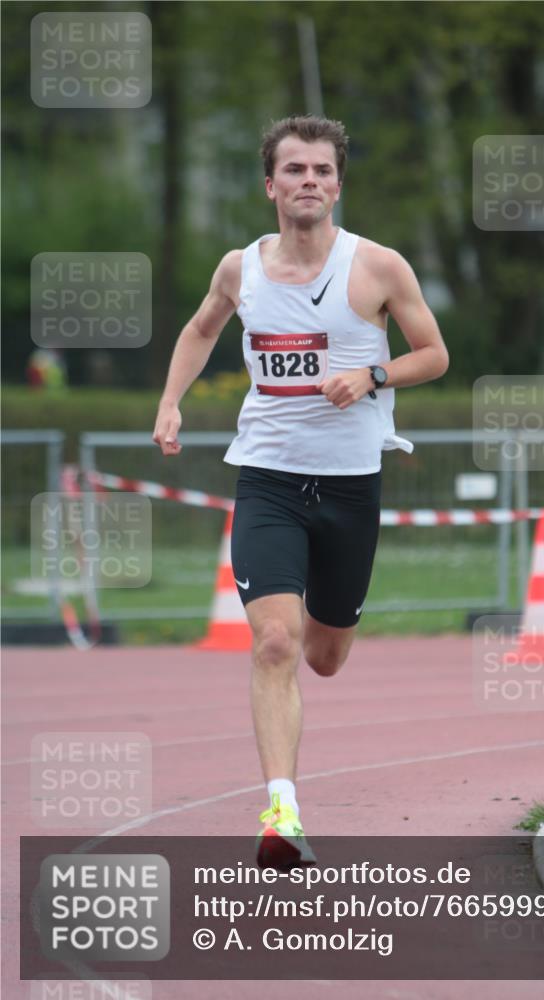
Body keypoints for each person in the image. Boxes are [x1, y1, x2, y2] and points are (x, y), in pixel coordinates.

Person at [153, 115, 449, 866]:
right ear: (270, 187)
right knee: (275, 643)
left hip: (350, 488)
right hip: (269, 482)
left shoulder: (376, 267)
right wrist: (170, 402)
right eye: (294, 170)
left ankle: (324, 649)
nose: (308, 181)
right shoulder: (238, 268)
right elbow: (198, 329)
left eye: (320, 170)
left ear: (337, 185)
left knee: (323, 655)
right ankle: (281, 812)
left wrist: (372, 374)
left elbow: (434, 355)